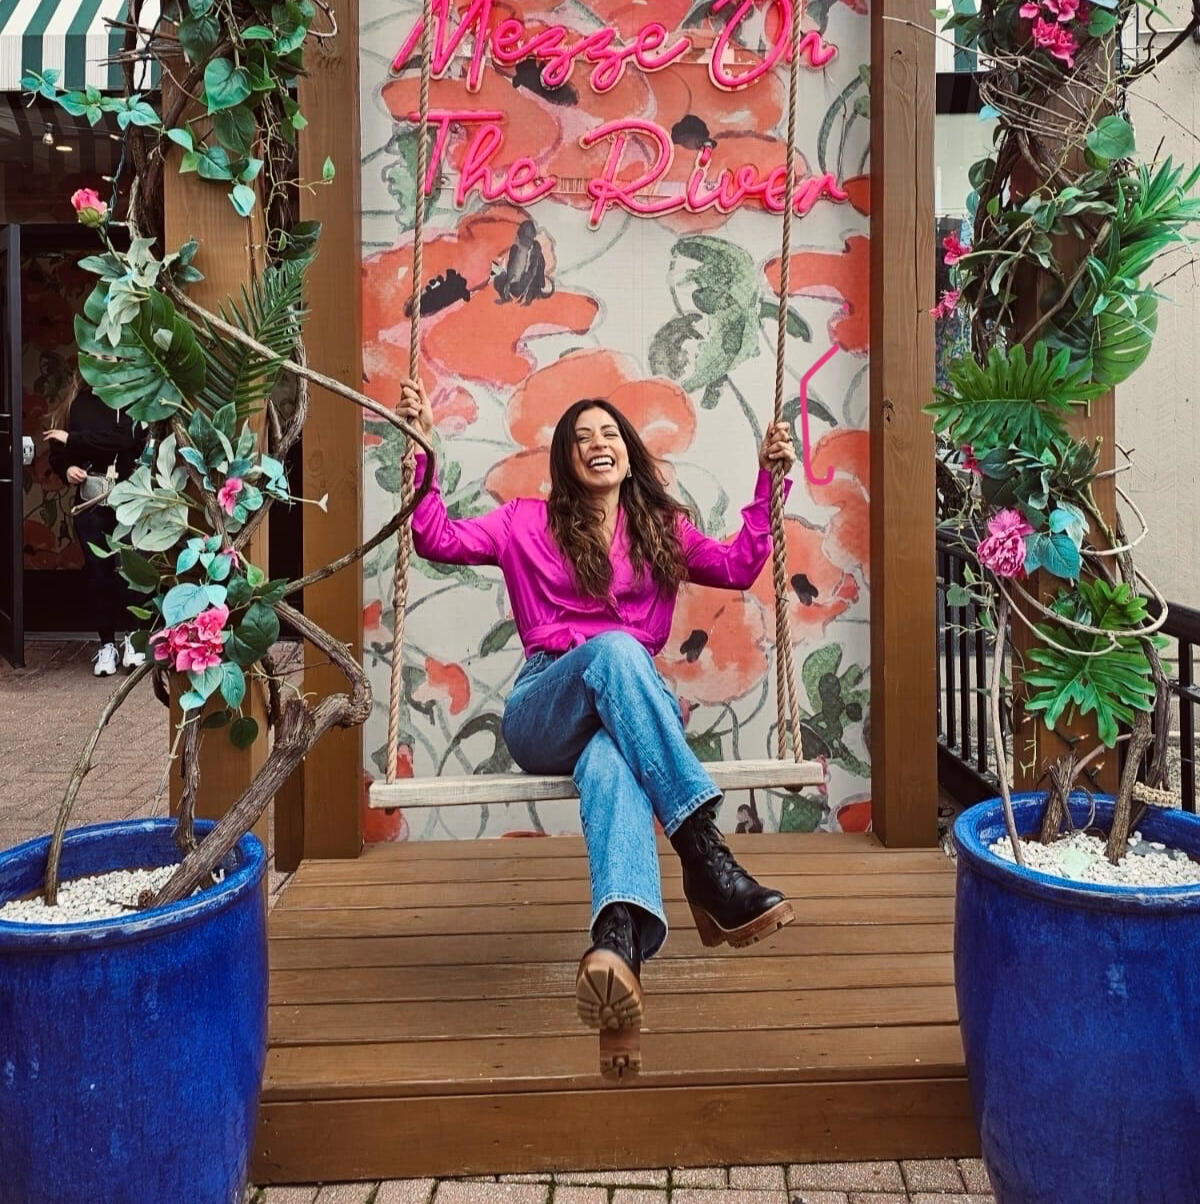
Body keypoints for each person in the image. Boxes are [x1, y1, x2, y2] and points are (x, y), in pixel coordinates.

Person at [398, 378, 797, 1081]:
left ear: (629, 450)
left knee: (615, 763)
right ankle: (702, 855)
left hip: (626, 717)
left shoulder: (662, 530)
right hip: (543, 708)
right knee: (615, 649)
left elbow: (740, 566)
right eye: (581, 439)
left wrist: (770, 481)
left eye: (608, 433)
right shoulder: (524, 523)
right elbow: (436, 537)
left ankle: (618, 949)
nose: (597, 445)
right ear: (565, 460)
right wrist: (422, 447)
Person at [45, 371, 146, 677]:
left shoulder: (130, 400)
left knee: (131, 569)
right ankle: (106, 645)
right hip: (90, 500)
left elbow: (124, 440)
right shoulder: (76, 403)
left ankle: (133, 639)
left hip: (127, 498)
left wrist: (73, 439)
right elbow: (58, 452)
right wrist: (67, 469)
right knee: (98, 573)